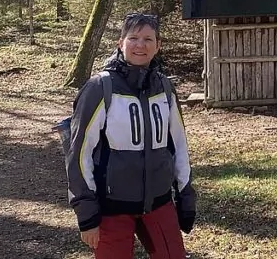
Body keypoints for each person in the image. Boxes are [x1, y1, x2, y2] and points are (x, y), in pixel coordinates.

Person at [66, 13, 196, 259]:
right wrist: (87, 214)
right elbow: (79, 153)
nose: (140, 45)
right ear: (120, 42)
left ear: (158, 45)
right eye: (133, 37)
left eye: (148, 39)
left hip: (159, 203)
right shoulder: (99, 88)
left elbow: (179, 145)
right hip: (110, 209)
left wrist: (186, 196)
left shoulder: (165, 88)